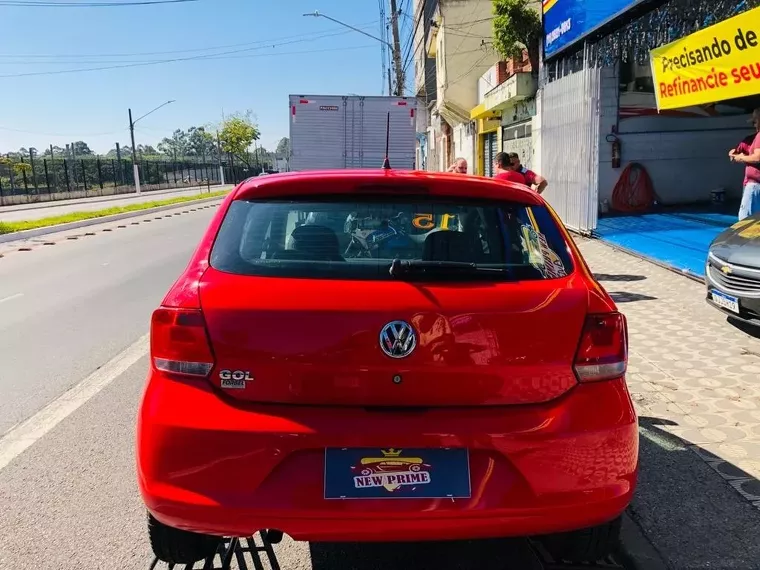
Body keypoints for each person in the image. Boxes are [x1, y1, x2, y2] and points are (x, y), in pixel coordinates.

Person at [729, 108, 760, 220]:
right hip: (753, 184)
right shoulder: (751, 139)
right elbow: (734, 152)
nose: (754, 125)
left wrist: (742, 158)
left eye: (755, 122)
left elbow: (757, 157)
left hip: (755, 185)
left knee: (745, 221)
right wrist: (734, 154)